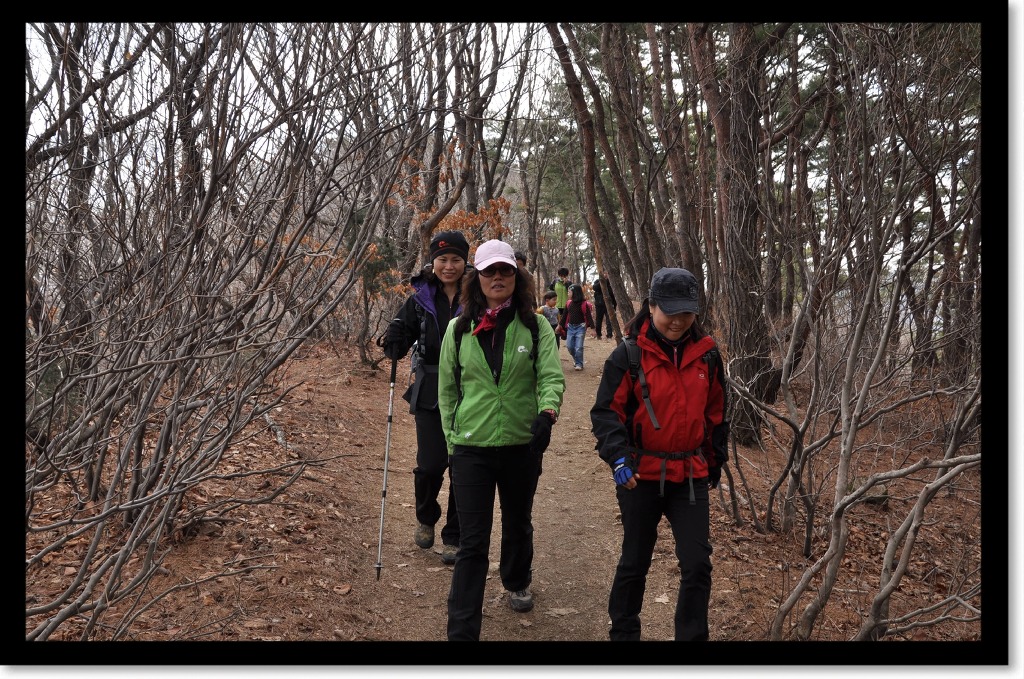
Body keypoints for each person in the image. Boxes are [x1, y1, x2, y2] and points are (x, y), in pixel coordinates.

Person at [590, 267, 729, 641]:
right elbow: (606, 413)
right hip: (639, 476)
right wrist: (618, 458)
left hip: (691, 475)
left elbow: (716, 413)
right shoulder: (628, 355)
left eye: (686, 312)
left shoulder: (708, 356)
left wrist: (714, 459)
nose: (678, 321)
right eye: (670, 311)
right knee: (635, 559)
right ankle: (624, 632)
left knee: (697, 564)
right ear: (651, 306)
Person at [437, 239, 566, 641]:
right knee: (473, 542)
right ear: (476, 277)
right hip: (471, 447)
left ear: (516, 275)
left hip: (521, 444)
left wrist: (547, 412)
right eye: (489, 271)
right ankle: (462, 631)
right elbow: (447, 390)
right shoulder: (458, 329)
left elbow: (550, 376)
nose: (497, 277)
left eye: (505, 270)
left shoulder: (536, 326)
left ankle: (516, 579)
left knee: (517, 521)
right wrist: (452, 443)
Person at [383, 230, 470, 565]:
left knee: (463, 465)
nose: (449, 266)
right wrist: (393, 339)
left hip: (472, 388)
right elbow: (400, 340)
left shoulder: (477, 294)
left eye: (456, 259)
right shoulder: (420, 297)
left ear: (465, 262)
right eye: (442, 259)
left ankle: (455, 537)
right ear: (433, 262)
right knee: (431, 465)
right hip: (430, 386)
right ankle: (425, 516)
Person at [558, 283, 594, 371]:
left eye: (569, 292)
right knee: (569, 346)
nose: (568, 293)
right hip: (570, 327)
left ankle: (579, 363)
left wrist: (593, 329)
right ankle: (576, 359)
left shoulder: (584, 304)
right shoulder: (568, 303)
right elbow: (564, 316)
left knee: (579, 347)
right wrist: (559, 326)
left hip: (580, 327)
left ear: (575, 293)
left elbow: (589, 316)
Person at [591, 275, 617, 339]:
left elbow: (613, 295)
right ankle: (598, 335)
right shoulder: (597, 281)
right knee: (598, 320)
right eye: (604, 273)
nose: (605, 275)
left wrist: (614, 306)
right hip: (599, 304)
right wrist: (602, 281)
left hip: (609, 304)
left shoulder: (610, 283)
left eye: (607, 274)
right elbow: (594, 288)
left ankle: (609, 335)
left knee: (609, 320)